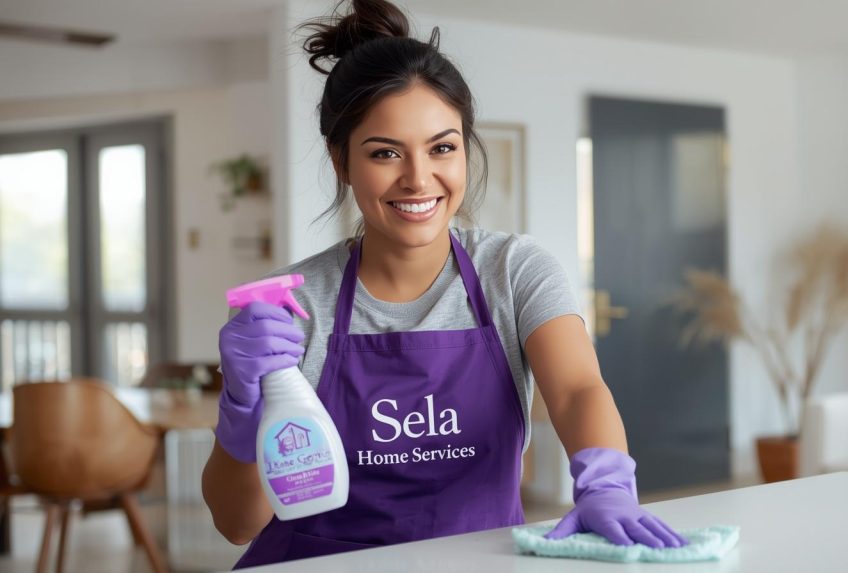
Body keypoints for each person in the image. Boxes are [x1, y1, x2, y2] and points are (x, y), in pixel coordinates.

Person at [201, 0, 684, 568]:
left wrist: (605, 483)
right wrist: (241, 409)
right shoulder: (290, 308)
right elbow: (238, 525)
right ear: (341, 160)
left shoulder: (514, 271)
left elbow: (578, 390)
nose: (418, 178)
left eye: (442, 147)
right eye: (385, 153)